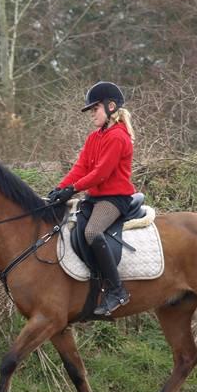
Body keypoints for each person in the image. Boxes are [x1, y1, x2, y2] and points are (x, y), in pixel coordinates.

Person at [47, 81, 136, 316]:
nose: (92, 115)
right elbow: (81, 167)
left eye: (94, 109)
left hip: (115, 199)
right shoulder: (94, 137)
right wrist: (60, 188)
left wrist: (72, 189)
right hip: (95, 198)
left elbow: (101, 174)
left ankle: (117, 290)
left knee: (92, 232)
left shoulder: (118, 137)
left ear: (110, 107)